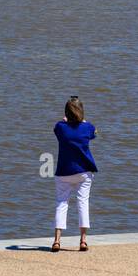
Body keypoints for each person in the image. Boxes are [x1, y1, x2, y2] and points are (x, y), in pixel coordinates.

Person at [52, 95, 98, 253]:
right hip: (84, 171)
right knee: (82, 203)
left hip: (64, 171)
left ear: (66, 113)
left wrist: (65, 121)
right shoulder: (87, 127)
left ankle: (57, 240)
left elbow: (58, 128)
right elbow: (94, 133)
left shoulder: (60, 127)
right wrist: (83, 121)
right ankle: (83, 241)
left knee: (61, 203)